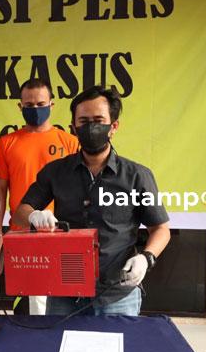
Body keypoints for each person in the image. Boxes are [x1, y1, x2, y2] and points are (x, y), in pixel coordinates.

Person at [12, 85, 171, 316]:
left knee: (115, 342)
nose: (91, 128)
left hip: (117, 293)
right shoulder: (55, 172)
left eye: (98, 120)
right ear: (73, 127)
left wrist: (146, 258)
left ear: (113, 126)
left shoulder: (137, 176)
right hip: (64, 291)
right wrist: (34, 216)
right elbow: (20, 212)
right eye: (84, 121)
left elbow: (161, 229)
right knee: (60, 341)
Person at [0, 78, 79, 314]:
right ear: (20, 106)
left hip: (62, 235)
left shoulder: (70, 142)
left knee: (61, 305)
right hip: (22, 235)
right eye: (29, 105)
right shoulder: (7, 143)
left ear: (52, 104)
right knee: (27, 306)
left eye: (40, 104)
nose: (35, 109)